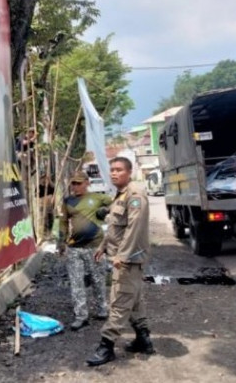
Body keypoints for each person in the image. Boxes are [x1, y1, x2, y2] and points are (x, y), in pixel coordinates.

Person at [86, 157, 153, 366]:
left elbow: (135, 228)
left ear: (129, 172)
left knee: (119, 301)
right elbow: (116, 227)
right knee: (133, 299)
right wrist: (103, 247)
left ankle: (106, 346)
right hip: (121, 257)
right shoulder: (120, 195)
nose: (114, 173)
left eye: (119, 170)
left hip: (128, 260)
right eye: (112, 170)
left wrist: (122, 256)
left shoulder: (135, 194)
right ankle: (144, 339)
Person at [58, 170, 112, 331]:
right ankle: (81, 316)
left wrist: (105, 211)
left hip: (95, 247)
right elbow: (62, 222)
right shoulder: (68, 201)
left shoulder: (97, 198)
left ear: (87, 183)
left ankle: (102, 309)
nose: (75, 187)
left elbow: (117, 202)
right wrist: (60, 242)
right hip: (74, 247)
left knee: (98, 279)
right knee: (76, 283)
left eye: (78, 183)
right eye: (73, 183)